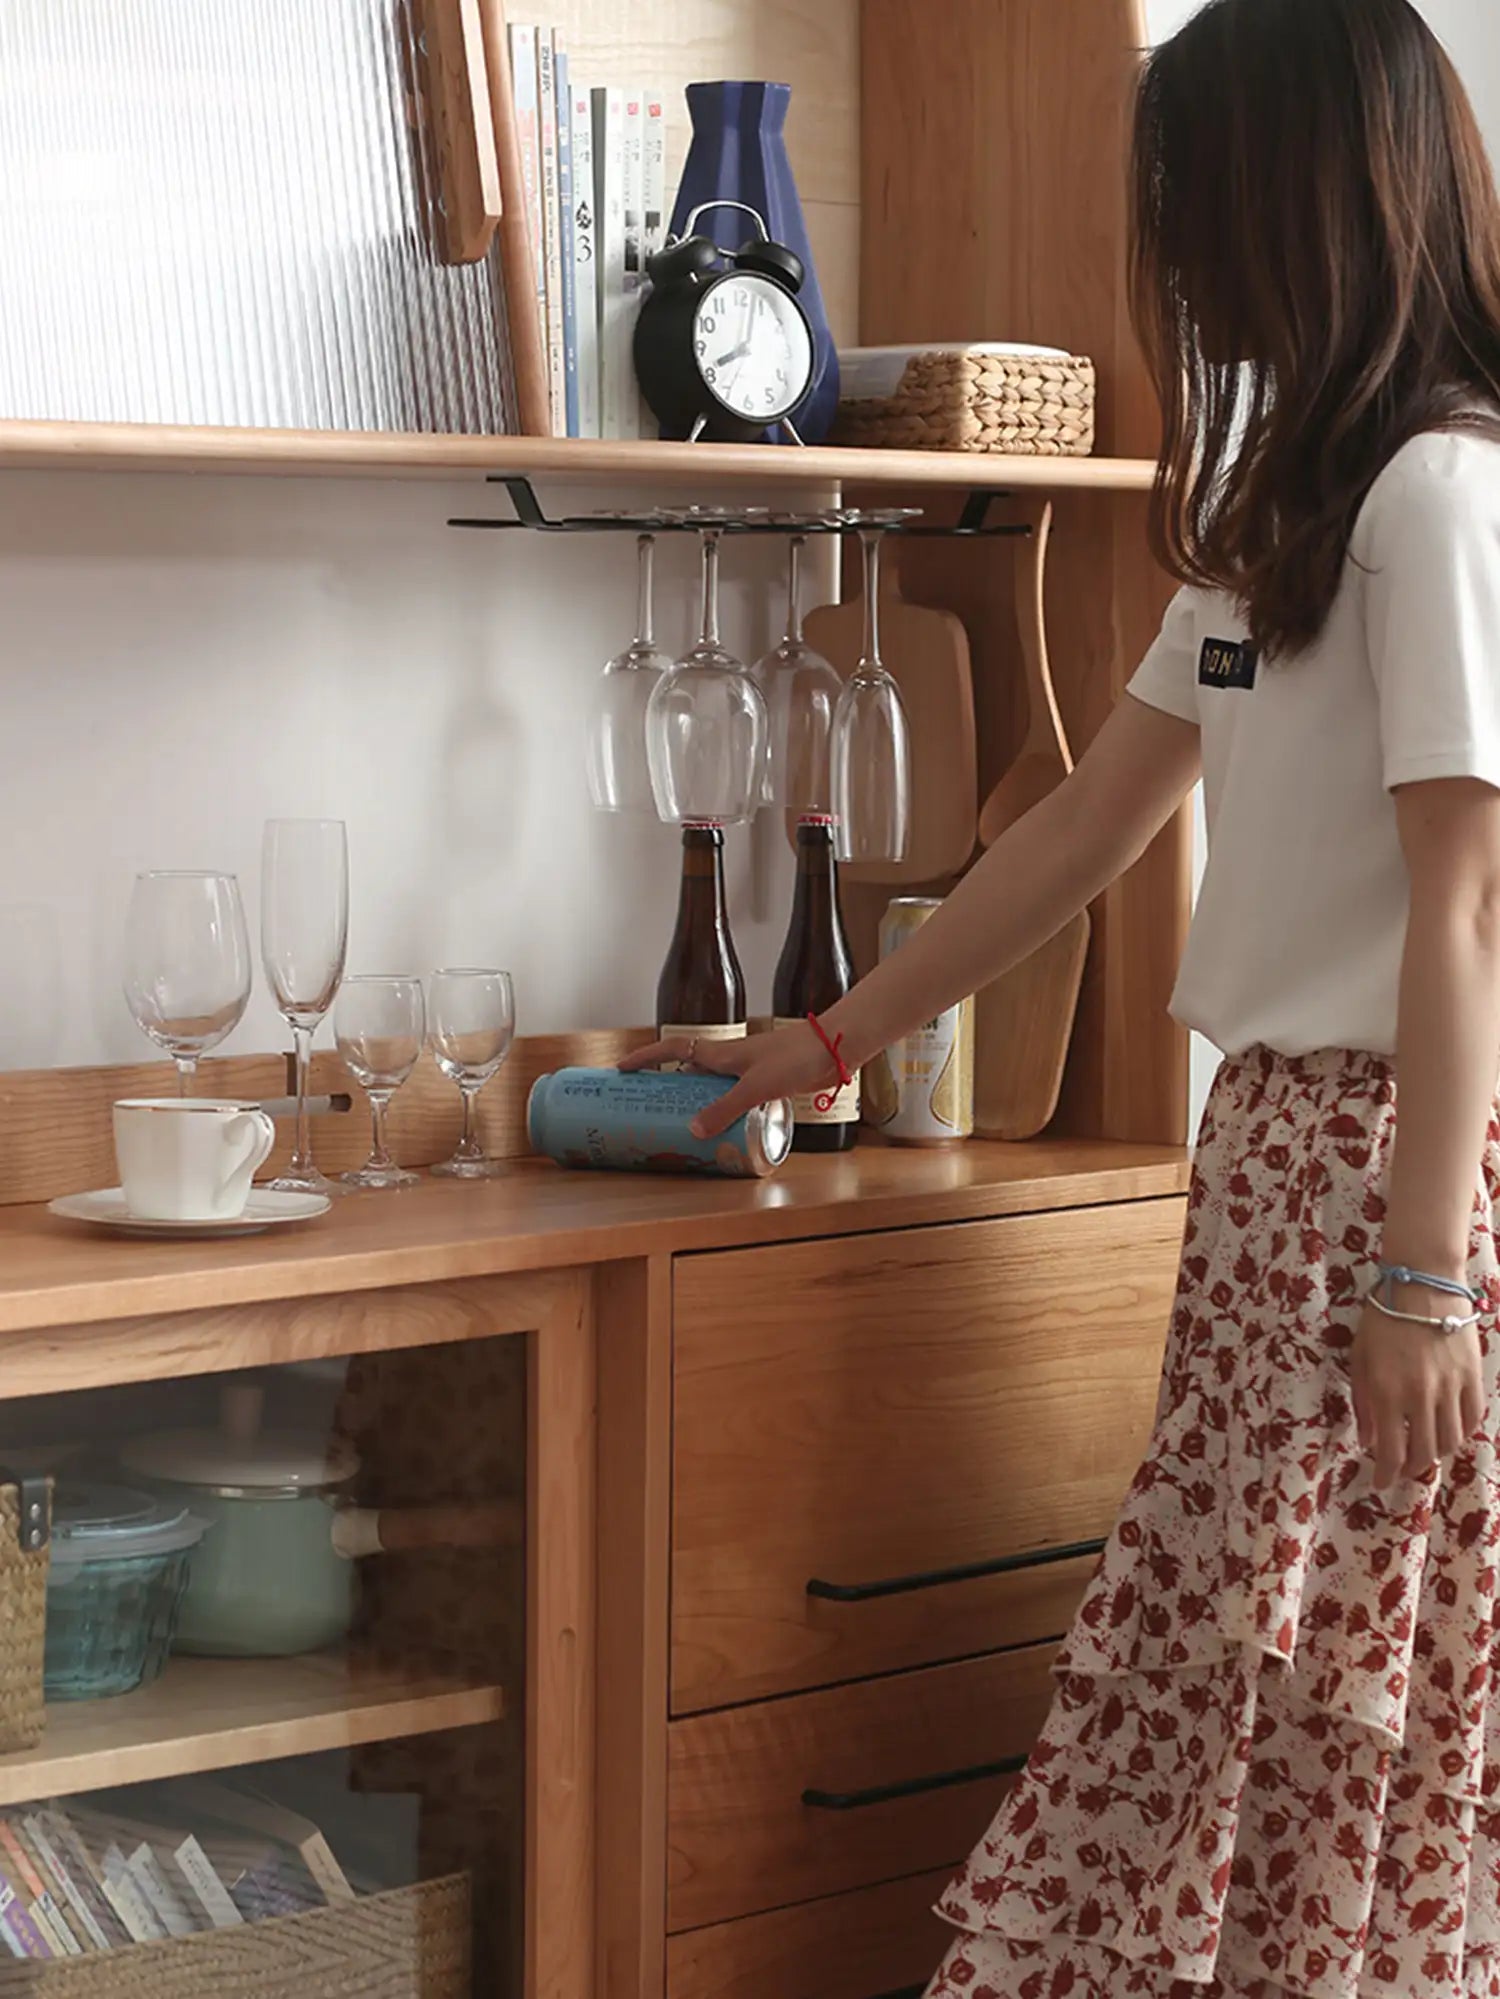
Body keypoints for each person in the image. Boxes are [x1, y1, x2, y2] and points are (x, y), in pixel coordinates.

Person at [623, 0, 1500, 1991]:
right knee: (1229, 1684)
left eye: (1188, 191)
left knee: (1339, 1698)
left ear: (1302, 194)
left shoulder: (1440, 501)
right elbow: (1084, 826)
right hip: (1271, 1174)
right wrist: (829, 1037)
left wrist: (1425, 1278)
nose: (1168, 242)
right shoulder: (1286, 503)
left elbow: (1467, 913)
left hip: (1390, 1184)